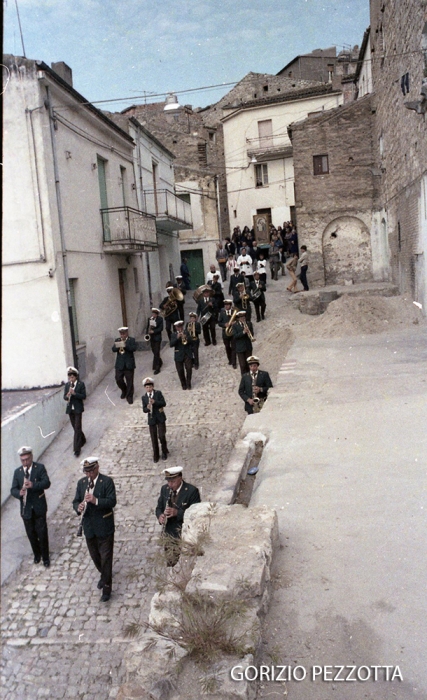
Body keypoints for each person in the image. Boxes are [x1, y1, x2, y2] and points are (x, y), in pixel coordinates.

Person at [73, 457, 116, 602]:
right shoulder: (81, 483)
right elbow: (75, 501)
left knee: (106, 557)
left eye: (91, 471)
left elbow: (112, 501)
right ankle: (104, 575)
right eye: (87, 472)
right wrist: (78, 507)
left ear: (97, 468)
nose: (89, 475)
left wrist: (95, 500)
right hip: (89, 528)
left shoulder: (107, 482)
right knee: (95, 556)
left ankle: (107, 588)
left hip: (104, 526)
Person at [11, 446, 51, 567]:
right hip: (26, 509)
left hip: (39, 507)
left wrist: (33, 485)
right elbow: (13, 489)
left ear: (31, 457)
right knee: (31, 533)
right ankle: (37, 555)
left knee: (42, 533)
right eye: (23, 460)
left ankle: (45, 557)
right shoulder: (17, 472)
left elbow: (47, 483)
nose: (25, 462)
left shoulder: (39, 468)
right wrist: (19, 493)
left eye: (27, 459)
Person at [156, 466, 201, 566]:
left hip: (185, 535)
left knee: (187, 564)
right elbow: (159, 507)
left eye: (173, 482)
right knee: (171, 563)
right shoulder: (165, 489)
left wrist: (178, 513)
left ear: (180, 479)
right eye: (168, 481)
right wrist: (160, 516)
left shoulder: (192, 491)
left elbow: (196, 514)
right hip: (169, 535)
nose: (170, 485)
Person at [142, 377, 169, 463]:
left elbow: (163, 403)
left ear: (153, 387)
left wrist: (155, 402)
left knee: (161, 435)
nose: (148, 389)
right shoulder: (144, 397)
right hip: (152, 419)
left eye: (150, 387)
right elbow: (144, 410)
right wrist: (147, 408)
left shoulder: (158, 393)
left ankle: (164, 451)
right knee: (153, 438)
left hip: (160, 417)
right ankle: (156, 454)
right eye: (147, 387)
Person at [64, 366, 87, 457]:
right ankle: (83, 439)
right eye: (69, 377)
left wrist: (75, 393)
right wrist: (67, 395)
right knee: (75, 427)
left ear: (76, 376)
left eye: (72, 377)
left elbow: (84, 396)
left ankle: (77, 449)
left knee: (77, 428)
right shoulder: (67, 385)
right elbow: (65, 397)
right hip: (70, 409)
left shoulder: (81, 384)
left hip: (78, 408)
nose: (71, 379)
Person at [112, 326, 137, 404]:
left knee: (130, 381)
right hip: (120, 364)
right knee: (118, 379)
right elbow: (113, 349)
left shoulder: (131, 340)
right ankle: (124, 390)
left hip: (129, 364)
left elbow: (134, 348)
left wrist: (125, 345)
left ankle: (129, 396)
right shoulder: (117, 340)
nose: (122, 335)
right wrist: (119, 345)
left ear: (127, 333)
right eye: (121, 334)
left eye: (123, 333)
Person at [170, 320, 193, 390]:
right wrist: (177, 337)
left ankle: (188, 382)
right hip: (178, 354)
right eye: (178, 327)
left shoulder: (186, 332)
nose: (180, 328)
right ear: (176, 327)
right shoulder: (173, 334)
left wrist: (186, 337)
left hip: (187, 353)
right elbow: (171, 344)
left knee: (189, 369)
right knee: (180, 370)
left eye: (181, 326)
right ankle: (183, 384)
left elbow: (192, 341)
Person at [232, 310, 255, 375]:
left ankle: (250, 377)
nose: (243, 318)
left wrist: (249, 332)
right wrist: (243, 332)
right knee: (242, 365)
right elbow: (235, 336)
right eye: (241, 317)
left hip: (248, 347)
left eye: (244, 317)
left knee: (249, 364)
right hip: (240, 348)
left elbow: (252, 334)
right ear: (238, 318)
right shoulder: (235, 325)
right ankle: (244, 379)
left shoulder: (249, 323)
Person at [218, 299, 237, 368]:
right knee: (227, 347)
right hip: (225, 333)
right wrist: (224, 324)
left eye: (228, 305)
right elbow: (219, 323)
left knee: (234, 347)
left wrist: (234, 323)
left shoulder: (233, 312)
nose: (226, 306)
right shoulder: (222, 313)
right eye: (225, 305)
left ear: (230, 305)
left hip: (232, 333)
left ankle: (234, 363)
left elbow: (238, 320)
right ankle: (230, 360)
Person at [146, 308, 163, 375]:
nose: (153, 315)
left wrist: (154, 331)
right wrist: (147, 334)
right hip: (152, 338)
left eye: (154, 314)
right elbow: (148, 327)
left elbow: (161, 328)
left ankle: (157, 368)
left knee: (156, 352)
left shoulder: (160, 319)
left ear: (157, 314)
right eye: (152, 314)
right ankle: (160, 361)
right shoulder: (150, 319)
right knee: (154, 351)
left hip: (157, 338)